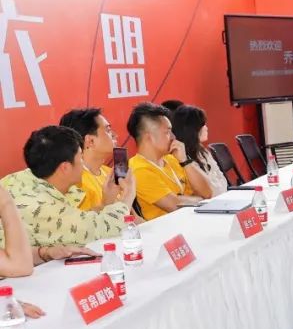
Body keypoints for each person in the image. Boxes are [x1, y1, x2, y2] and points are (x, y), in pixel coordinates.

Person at [0, 125, 134, 248]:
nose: (83, 163)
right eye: (81, 157)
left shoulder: (18, 179)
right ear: (65, 167)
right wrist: (128, 193)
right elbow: (107, 229)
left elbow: (78, 219)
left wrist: (106, 203)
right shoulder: (44, 207)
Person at [127, 103, 204, 220]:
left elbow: (207, 192)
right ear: (149, 137)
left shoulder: (172, 158)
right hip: (168, 228)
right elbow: (175, 205)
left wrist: (185, 161)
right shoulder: (138, 169)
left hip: (191, 220)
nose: (173, 137)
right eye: (167, 132)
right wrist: (200, 200)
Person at [58, 107, 123, 212]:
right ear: (90, 141)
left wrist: (128, 191)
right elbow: (82, 221)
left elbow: (128, 217)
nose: (115, 135)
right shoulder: (75, 182)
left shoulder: (110, 173)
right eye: (108, 130)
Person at [171, 105, 228, 197]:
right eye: (203, 125)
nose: (206, 128)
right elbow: (207, 192)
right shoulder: (180, 157)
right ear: (192, 129)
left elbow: (223, 181)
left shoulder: (203, 152)